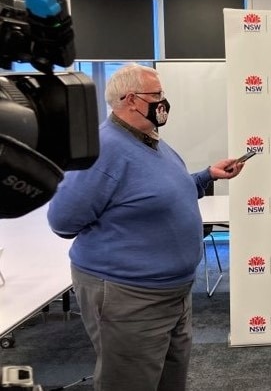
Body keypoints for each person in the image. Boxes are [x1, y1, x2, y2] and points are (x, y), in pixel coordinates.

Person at [47, 63, 245, 391]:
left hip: (173, 293)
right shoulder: (102, 150)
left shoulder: (152, 142)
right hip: (129, 296)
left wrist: (207, 175)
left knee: (169, 381)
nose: (163, 102)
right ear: (129, 100)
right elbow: (62, 219)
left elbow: (169, 191)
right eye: (156, 95)